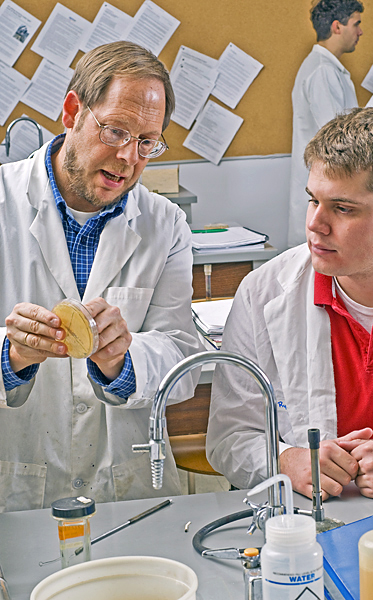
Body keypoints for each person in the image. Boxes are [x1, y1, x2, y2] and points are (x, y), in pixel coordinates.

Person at [0, 41, 203, 512]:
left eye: (147, 142)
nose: (128, 158)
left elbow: (181, 353)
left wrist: (122, 360)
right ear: (72, 111)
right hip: (17, 483)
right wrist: (11, 355)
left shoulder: (165, 224)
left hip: (126, 489)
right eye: (115, 131)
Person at [207, 107, 373, 502]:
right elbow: (230, 436)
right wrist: (284, 460)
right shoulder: (264, 292)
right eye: (314, 200)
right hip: (308, 531)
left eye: (343, 208)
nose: (315, 224)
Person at [288, 0, 363, 248]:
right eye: (356, 24)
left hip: (327, 188)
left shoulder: (325, 68)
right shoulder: (323, 71)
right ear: (337, 26)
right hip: (326, 187)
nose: (360, 32)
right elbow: (338, 141)